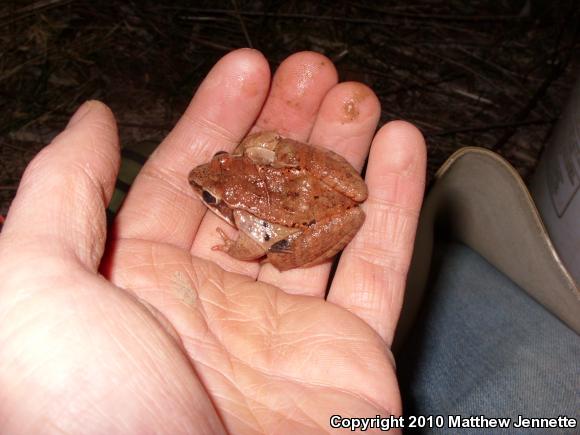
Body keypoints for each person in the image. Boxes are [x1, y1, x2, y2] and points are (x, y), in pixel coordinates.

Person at [0, 49, 426, 433]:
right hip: (308, 183)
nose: (204, 183)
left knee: (284, 254)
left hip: (308, 214)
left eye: (211, 193)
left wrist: (235, 245)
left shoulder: (241, 206)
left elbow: (257, 243)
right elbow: (271, 149)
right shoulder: (248, 159)